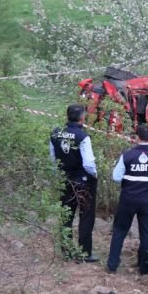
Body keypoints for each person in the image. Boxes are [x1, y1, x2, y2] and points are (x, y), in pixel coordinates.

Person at [107, 124, 148, 275]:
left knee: (119, 231)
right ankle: (145, 268)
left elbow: (116, 177)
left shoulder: (127, 155)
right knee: (146, 233)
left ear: (136, 137)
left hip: (128, 199)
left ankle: (112, 265)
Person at [50, 104, 99, 262]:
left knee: (66, 215)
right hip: (83, 181)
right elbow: (88, 163)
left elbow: (53, 159)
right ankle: (84, 253)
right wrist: (94, 175)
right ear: (82, 118)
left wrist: (58, 174)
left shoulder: (55, 134)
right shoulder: (83, 137)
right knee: (86, 216)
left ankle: (66, 251)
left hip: (64, 179)